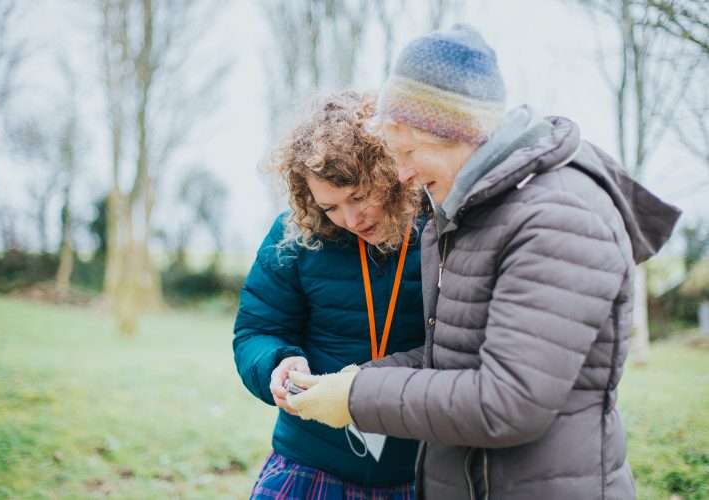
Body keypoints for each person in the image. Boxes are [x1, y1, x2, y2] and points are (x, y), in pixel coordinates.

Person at [287, 24, 681, 499]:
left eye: (409, 152)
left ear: (458, 132)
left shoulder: (558, 217)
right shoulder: (469, 217)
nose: (404, 175)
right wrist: (358, 378)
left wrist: (355, 399)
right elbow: (454, 358)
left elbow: (508, 402)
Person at [233, 90, 427, 499]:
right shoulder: (294, 236)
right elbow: (256, 329)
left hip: (418, 467)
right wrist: (277, 363)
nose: (351, 219)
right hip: (311, 457)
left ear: (389, 172)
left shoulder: (440, 233)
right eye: (331, 207)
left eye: (359, 197)